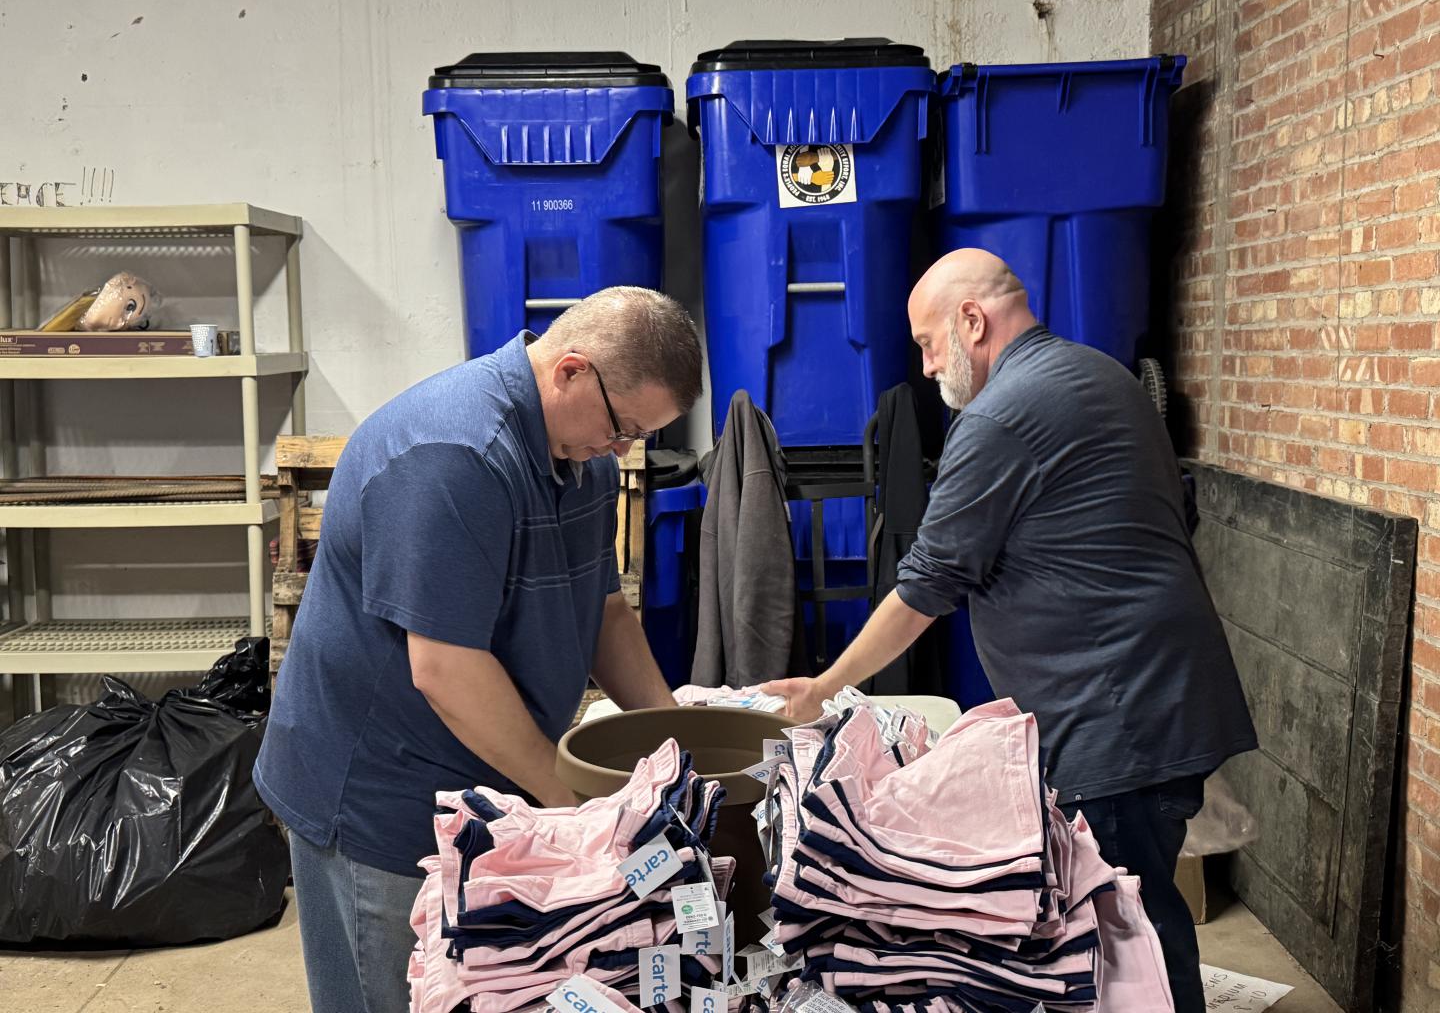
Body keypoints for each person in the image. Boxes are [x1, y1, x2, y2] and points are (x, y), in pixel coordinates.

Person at [762, 248, 1257, 1013]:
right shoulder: (1100, 374)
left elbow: (926, 586)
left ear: (971, 320)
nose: (927, 368)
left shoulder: (1001, 415)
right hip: (1157, 696)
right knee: (1138, 913)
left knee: (1126, 931)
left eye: (928, 344)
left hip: (1113, 717)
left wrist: (825, 687)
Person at [255, 287, 703, 1013]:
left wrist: (677, 746)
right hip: (381, 798)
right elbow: (446, 669)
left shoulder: (582, 455)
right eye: (622, 427)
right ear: (571, 371)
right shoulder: (456, 456)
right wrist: (571, 806)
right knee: (396, 995)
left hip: (490, 780)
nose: (621, 449)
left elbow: (604, 612)